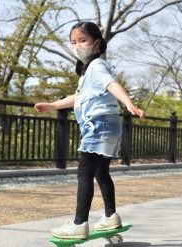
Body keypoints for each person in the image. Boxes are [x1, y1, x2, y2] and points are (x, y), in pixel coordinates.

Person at [34, 22, 145, 239]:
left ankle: (79, 224)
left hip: (99, 125)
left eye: (82, 41)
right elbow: (81, 97)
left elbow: (111, 84)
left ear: (97, 43)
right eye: (73, 42)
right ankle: (111, 216)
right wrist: (53, 106)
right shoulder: (87, 72)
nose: (77, 46)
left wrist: (128, 103)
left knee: (84, 172)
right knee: (100, 173)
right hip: (108, 125)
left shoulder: (97, 66)